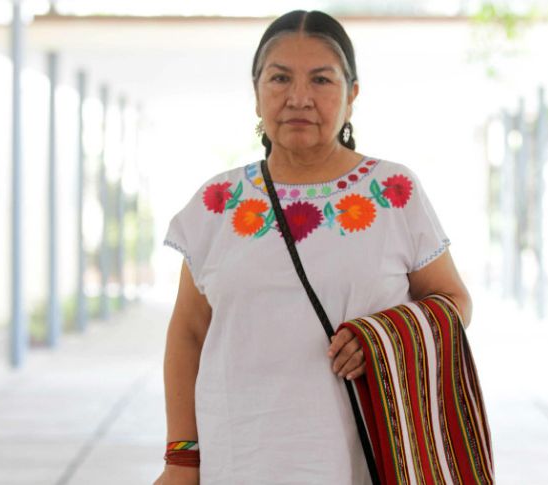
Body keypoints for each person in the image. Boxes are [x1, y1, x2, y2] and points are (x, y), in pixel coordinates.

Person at [153, 10, 473, 485]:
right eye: (280, 77)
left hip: (361, 463)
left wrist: (383, 338)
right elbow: (188, 333)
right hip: (240, 460)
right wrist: (182, 459)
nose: (298, 97)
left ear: (352, 94)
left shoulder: (393, 191)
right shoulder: (218, 204)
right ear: (257, 91)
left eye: (321, 79)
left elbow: (455, 302)